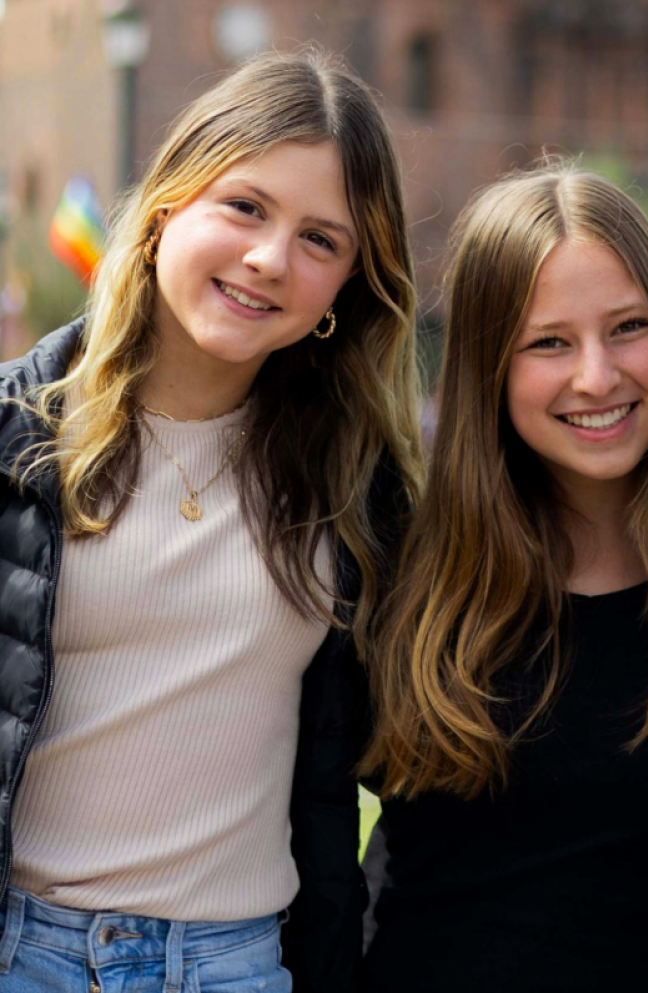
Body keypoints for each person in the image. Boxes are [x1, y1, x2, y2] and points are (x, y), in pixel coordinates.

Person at [0, 49, 421, 992]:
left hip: (238, 965)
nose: (270, 258)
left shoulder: (358, 486)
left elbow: (428, 759)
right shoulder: (15, 435)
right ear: (165, 210)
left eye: (322, 240)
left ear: (346, 287)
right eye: (245, 206)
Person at [358, 167, 648, 991]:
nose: (597, 377)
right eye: (549, 342)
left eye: (628, 327)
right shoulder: (397, 590)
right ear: (487, 367)